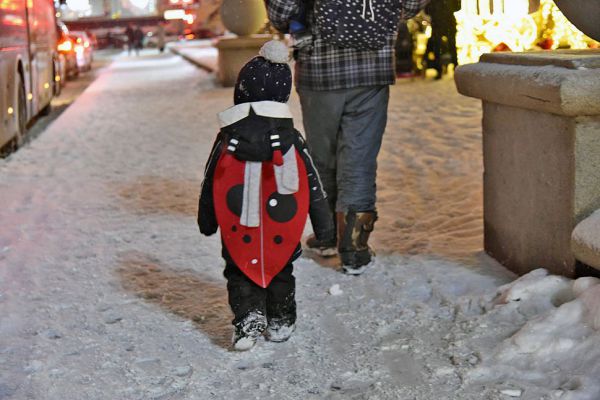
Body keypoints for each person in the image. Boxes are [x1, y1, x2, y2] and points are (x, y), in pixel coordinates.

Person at [266, 0, 429, 274]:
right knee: (359, 158)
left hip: (320, 73)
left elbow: (280, 13)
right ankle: (354, 247)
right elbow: (412, 5)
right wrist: (373, 20)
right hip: (372, 70)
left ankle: (328, 234)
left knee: (323, 157)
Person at [197, 41, 334, 351]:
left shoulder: (227, 139)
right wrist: (324, 227)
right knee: (281, 269)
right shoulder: (291, 140)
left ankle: (248, 319)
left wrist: (207, 219)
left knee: (238, 270)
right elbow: (312, 183)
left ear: (241, 92)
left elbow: (212, 179)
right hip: (281, 223)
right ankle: (280, 318)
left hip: (237, 223)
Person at [425, 0, 459, 79]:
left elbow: (427, 10)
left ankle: (440, 70)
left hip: (439, 21)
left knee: (438, 48)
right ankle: (454, 68)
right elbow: (457, 7)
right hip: (446, 21)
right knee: (451, 46)